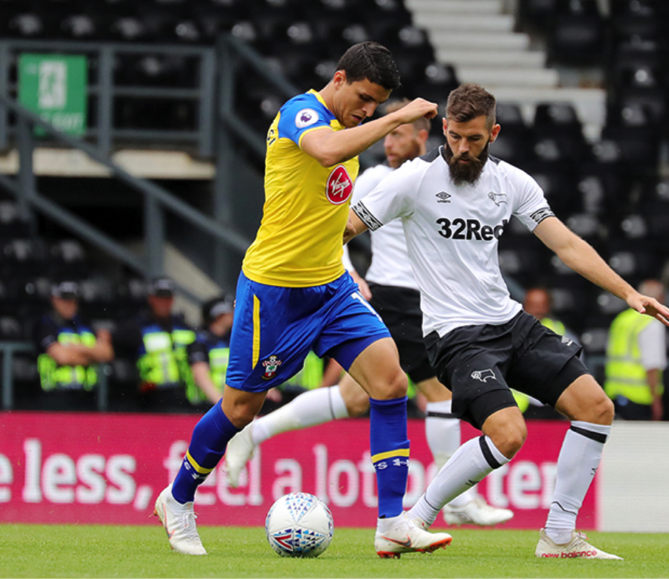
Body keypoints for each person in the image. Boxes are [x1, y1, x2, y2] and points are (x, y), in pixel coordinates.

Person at [345, 83, 669, 559]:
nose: (462, 148)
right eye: (456, 136)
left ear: (494, 133)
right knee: (508, 433)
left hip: (508, 322)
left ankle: (559, 536)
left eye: (474, 139)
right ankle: (412, 521)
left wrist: (627, 292)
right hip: (454, 334)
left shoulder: (513, 182)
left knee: (596, 408)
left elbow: (566, 244)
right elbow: (346, 227)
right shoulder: (413, 180)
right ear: (443, 128)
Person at [153, 41, 450, 558]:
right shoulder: (302, 112)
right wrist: (398, 117)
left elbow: (330, 212)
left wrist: (348, 272)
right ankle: (177, 499)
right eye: (362, 97)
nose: (367, 109)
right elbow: (327, 152)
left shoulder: (351, 127)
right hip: (275, 291)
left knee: (389, 381)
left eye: (377, 103)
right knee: (239, 409)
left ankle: (391, 522)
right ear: (338, 79)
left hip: (331, 287)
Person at [224, 99, 514, 527]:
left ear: (421, 136)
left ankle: (257, 430)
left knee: (355, 398)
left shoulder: (437, 178)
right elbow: (330, 224)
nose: (388, 140)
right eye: (387, 132)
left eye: (398, 133)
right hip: (394, 296)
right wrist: (349, 272)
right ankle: (456, 499)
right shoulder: (375, 177)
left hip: (420, 300)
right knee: (440, 394)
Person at [113, 277, 197, 413]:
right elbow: (111, 341)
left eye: (167, 298)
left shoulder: (184, 327)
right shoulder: (137, 326)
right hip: (152, 397)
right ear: (150, 299)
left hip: (184, 395)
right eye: (159, 298)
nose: (164, 302)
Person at [34, 280, 113, 411]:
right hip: (55, 397)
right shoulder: (45, 324)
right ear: (54, 300)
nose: (70, 305)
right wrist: (93, 356)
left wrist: (75, 347)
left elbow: (107, 353)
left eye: (73, 300)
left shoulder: (84, 324)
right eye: (65, 300)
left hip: (86, 397)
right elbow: (61, 356)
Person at [604, 280, 668, 421]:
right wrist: (656, 402)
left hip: (613, 393)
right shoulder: (651, 323)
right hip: (638, 397)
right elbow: (652, 366)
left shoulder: (621, 319)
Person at [186, 296, 235, 410]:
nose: (233, 315)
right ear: (218, 315)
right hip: (206, 407)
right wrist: (224, 407)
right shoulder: (200, 342)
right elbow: (201, 376)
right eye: (229, 312)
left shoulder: (231, 339)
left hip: (230, 406)